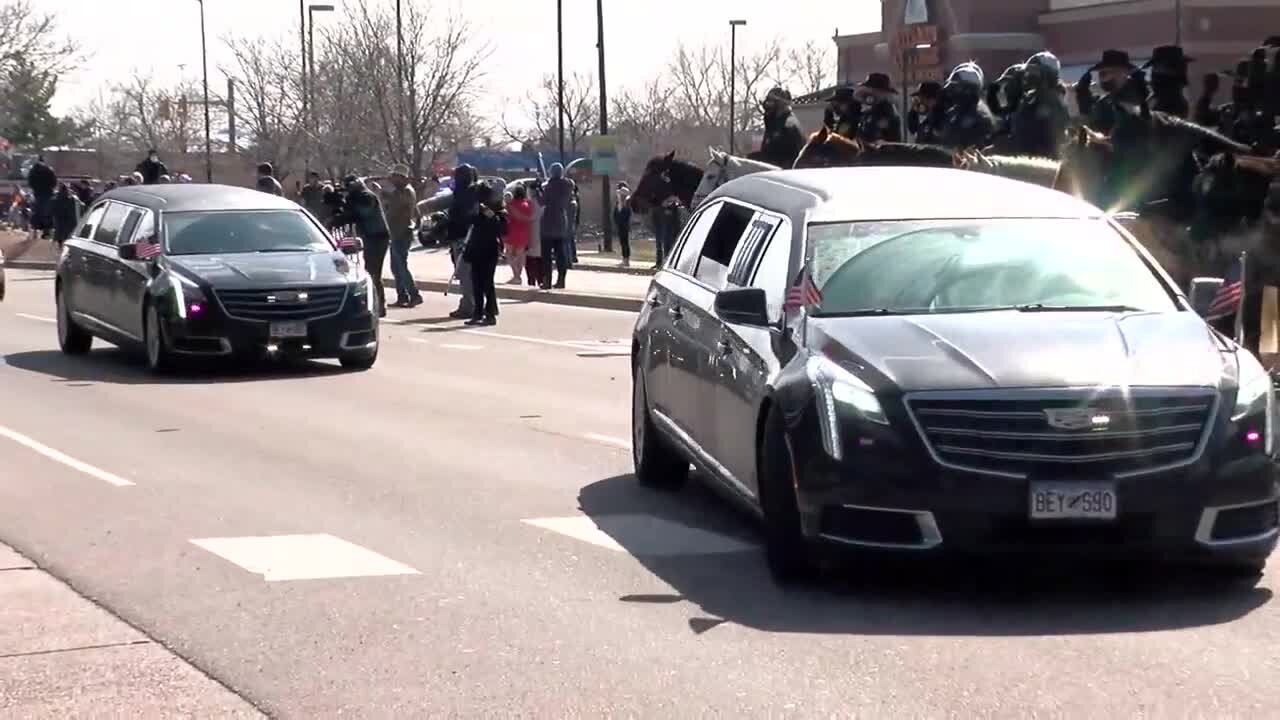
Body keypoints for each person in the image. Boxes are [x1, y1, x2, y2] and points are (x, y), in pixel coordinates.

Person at [328, 175, 391, 317]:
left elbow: (361, 213)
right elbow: (350, 214)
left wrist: (345, 208)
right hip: (370, 237)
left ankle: (379, 305)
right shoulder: (357, 197)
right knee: (371, 270)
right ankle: (378, 304)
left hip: (378, 236)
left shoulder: (366, 196)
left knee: (373, 272)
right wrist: (338, 209)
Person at [1007, 51, 1071, 158]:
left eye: (1034, 71)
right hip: (1025, 160)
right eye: (1028, 71)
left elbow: (1047, 140)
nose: (1028, 75)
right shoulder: (1032, 98)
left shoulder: (1052, 102)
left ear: (1048, 75)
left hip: (1042, 165)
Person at [462, 182, 506, 325]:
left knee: (487, 282)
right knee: (477, 282)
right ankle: (478, 313)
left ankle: (490, 313)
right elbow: (470, 221)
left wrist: (491, 215)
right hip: (477, 247)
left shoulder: (497, 209)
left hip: (489, 248)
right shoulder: (476, 208)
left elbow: (502, 229)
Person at [381, 164, 422, 308]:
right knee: (396, 267)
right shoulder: (400, 191)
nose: (392, 179)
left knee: (401, 266)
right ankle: (402, 295)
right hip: (396, 232)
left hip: (402, 232)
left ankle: (414, 294)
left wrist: (383, 194)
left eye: (395, 177)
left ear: (402, 178)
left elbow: (395, 208)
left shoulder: (406, 192)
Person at [446, 164, 480, 318]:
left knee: (465, 273)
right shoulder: (467, 192)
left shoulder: (467, 194)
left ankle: (469, 305)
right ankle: (472, 303)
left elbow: (463, 216)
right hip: (464, 236)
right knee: (469, 274)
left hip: (464, 238)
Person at [938, 62, 996, 149]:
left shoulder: (980, 116)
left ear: (968, 90)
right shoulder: (955, 111)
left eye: (956, 88)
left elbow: (976, 152)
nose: (952, 92)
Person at [539, 162, 574, 289]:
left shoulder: (550, 186)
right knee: (561, 254)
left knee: (547, 255)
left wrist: (538, 190)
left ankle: (547, 281)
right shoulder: (568, 185)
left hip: (548, 222)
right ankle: (561, 280)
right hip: (561, 221)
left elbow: (542, 201)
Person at [754, 87, 805, 168]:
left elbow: (790, 158)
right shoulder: (773, 125)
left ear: (780, 104)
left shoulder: (789, 126)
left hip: (784, 175)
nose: (767, 104)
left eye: (771, 101)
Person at [1144, 45, 1193, 118]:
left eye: (1157, 66)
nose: (1153, 70)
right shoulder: (1157, 96)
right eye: (1154, 67)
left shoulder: (1172, 100)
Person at [855, 73, 903, 143]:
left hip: (883, 151)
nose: (868, 93)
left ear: (882, 92)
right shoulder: (869, 112)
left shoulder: (887, 111)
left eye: (872, 90)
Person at [504, 183, 535, 284]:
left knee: (509, 254)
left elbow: (506, 218)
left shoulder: (511, 205)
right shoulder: (528, 204)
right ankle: (518, 276)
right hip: (524, 232)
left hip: (511, 231)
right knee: (520, 255)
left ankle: (516, 275)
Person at [26, 154, 57, 242]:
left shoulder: (33, 170)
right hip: (48, 193)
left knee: (36, 211)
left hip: (38, 193)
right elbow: (54, 181)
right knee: (47, 212)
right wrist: (50, 188)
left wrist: (35, 188)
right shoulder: (49, 170)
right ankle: (46, 231)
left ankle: (35, 230)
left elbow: (30, 182)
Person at [524, 182, 546, 286]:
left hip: (530, 232)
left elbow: (528, 217)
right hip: (542, 232)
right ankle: (541, 280)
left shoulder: (529, 203)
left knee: (531, 258)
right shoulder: (544, 203)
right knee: (540, 258)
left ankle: (531, 281)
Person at [613, 182, 633, 267]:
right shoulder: (620, 201)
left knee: (625, 242)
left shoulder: (626, 201)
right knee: (622, 242)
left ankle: (626, 260)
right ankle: (624, 259)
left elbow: (622, 211)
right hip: (620, 224)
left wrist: (620, 198)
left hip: (624, 224)